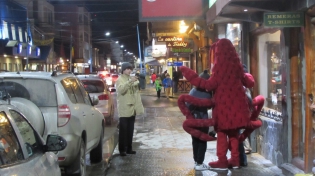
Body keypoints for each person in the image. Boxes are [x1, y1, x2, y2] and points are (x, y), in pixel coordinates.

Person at [116, 62, 144, 156]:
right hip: (124, 109)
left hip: (132, 108)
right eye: (127, 69)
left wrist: (135, 81)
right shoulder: (120, 79)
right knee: (123, 130)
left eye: (130, 69)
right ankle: (122, 149)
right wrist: (130, 81)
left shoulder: (129, 78)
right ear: (123, 70)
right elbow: (121, 90)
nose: (129, 70)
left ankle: (129, 148)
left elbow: (135, 91)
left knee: (130, 130)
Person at [186, 72, 212, 171]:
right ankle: (199, 163)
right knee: (202, 140)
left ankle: (196, 161)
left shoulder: (192, 91)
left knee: (195, 140)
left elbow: (187, 105)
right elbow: (209, 106)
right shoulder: (207, 93)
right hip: (202, 121)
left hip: (192, 120)